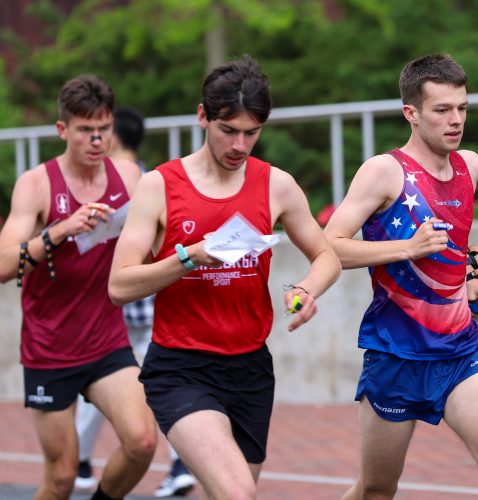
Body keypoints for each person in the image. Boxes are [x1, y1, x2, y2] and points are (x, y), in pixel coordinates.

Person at [108, 54, 341, 499]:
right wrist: (190, 257)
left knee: (228, 493)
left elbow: (326, 255)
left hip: (251, 367)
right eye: (228, 130)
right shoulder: (160, 186)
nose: (239, 145)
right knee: (238, 492)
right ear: (202, 117)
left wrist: (309, 289)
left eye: (251, 133)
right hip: (181, 367)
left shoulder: (277, 185)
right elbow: (119, 286)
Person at [324, 53, 478, 499]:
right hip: (396, 354)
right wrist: (406, 249)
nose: (456, 121)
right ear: (410, 113)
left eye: (463, 108)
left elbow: (454, 239)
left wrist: (470, 275)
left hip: (459, 351)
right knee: (377, 489)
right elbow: (328, 245)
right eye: (442, 110)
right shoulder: (383, 171)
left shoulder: (469, 167)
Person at [0, 74, 157, 500]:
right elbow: (2, 265)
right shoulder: (36, 184)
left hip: (107, 342)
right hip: (50, 350)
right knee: (62, 479)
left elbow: (157, 236)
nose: (96, 139)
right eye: (86, 130)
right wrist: (59, 231)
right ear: (62, 130)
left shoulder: (126, 175)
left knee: (142, 443)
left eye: (103, 129)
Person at [75, 106, 196, 497]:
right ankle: (180, 464)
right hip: (152, 301)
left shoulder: (113, 185)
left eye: (101, 132)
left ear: (111, 136)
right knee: (166, 387)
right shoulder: (157, 179)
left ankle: (79, 461)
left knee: (101, 384)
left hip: (114, 307)